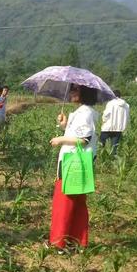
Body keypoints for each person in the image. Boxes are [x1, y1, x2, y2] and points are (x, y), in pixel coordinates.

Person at [49, 85, 99, 252]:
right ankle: (77, 241)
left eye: (75, 90)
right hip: (78, 164)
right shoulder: (83, 112)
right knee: (77, 205)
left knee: (64, 204)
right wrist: (64, 125)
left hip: (72, 164)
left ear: (84, 93)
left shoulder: (85, 113)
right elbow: (78, 134)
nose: (71, 93)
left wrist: (60, 139)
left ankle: (59, 243)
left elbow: (83, 139)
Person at [100, 90, 130, 155]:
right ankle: (113, 160)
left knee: (102, 144)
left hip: (108, 127)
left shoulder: (111, 103)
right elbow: (127, 117)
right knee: (114, 146)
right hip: (119, 128)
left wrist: (103, 121)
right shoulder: (126, 105)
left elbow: (106, 114)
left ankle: (102, 158)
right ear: (120, 96)